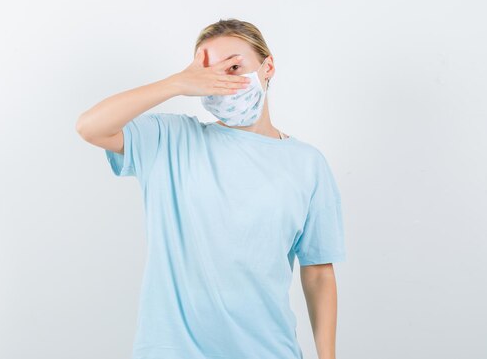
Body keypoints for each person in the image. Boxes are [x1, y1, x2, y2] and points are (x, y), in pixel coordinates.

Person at [76, 18, 347, 359]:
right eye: (208, 72)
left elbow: (319, 271)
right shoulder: (170, 140)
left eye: (234, 66)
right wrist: (176, 84)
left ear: (268, 68)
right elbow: (90, 127)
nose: (222, 80)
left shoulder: (307, 164)